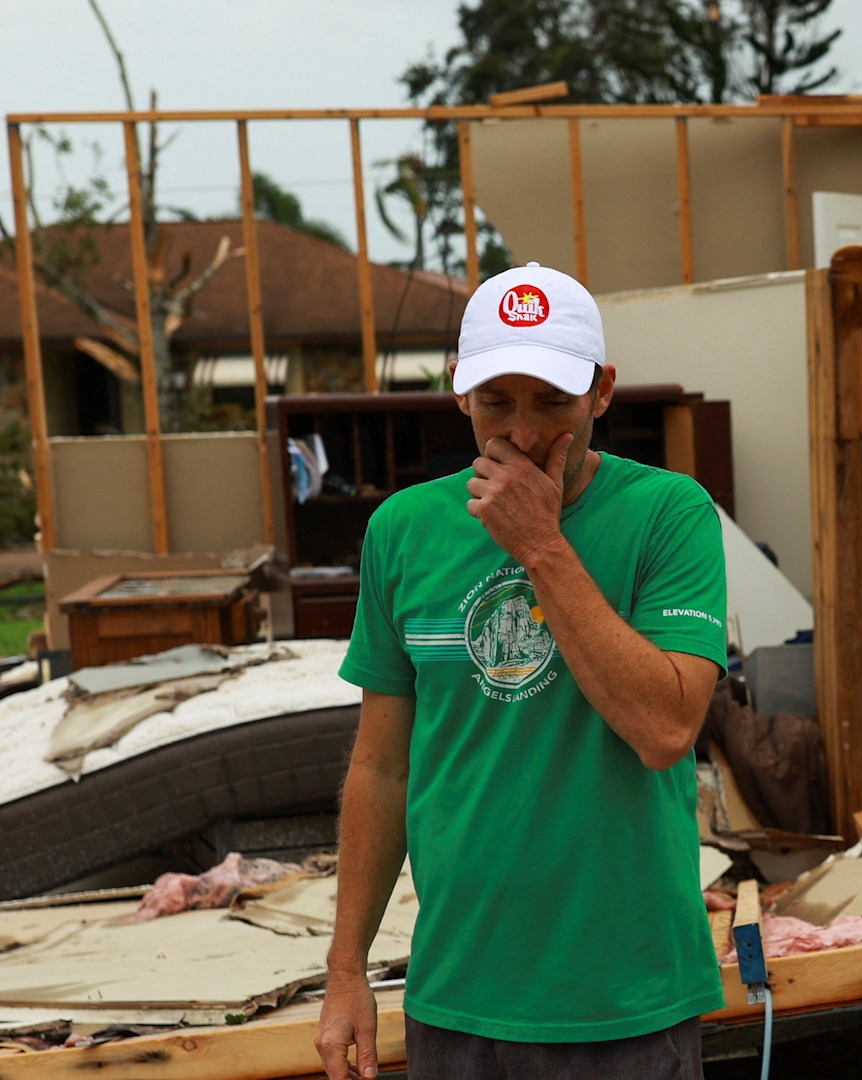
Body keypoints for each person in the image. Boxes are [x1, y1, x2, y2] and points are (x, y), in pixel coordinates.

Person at [316, 262, 727, 1080]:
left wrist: (541, 544)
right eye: (498, 402)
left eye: (552, 402)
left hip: (626, 1003)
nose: (525, 432)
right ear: (460, 395)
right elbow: (382, 766)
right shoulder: (402, 530)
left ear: (601, 393)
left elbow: (665, 729)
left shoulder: (669, 515)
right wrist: (345, 969)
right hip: (458, 999)